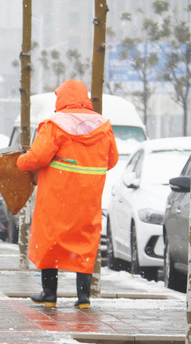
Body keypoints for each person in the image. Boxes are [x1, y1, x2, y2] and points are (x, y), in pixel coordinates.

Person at [16, 79, 118, 309]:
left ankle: (49, 295)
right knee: (84, 242)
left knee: (50, 241)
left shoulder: (55, 124)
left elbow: (39, 157)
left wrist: (20, 162)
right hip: (88, 198)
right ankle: (83, 298)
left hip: (57, 197)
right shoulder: (103, 125)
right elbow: (112, 160)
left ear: (61, 98)